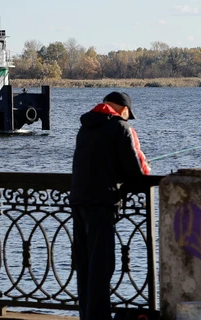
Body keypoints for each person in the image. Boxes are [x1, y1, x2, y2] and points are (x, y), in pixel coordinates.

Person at [70, 91, 151, 320]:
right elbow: (135, 174)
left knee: (84, 266)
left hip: (78, 200)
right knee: (101, 266)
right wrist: (145, 169)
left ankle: (86, 315)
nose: (127, 118)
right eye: (127, 114)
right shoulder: (120, 128)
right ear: (123, 110)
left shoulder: (85, 127)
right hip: (102, 203)